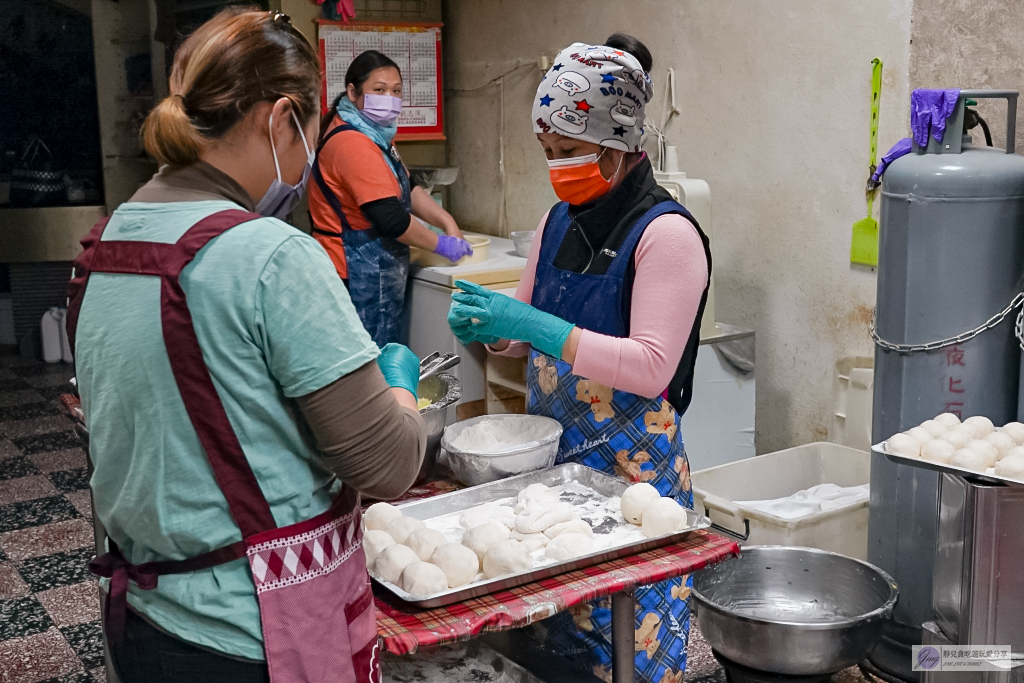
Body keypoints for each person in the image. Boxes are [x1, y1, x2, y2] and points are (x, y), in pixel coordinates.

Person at [67, 9, 426, 682]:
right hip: (255, 636)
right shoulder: (270, 256)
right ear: (281, 117)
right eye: (311, 134)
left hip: (146, 621)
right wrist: (399, 380)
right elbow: (388, 462)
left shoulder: (106, 244)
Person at [447, 34, 711, 682]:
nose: (555, 167)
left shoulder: (667, 234)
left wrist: (535, 323)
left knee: (631, 656)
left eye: (567, 151)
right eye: (548, 153)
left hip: (631, 483)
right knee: (555, 652)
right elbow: (522, 331)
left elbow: (650, 365)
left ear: (616, 141)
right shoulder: (559, 220)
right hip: (554, 477)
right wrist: (494, 325)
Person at [309, 50, 472, 346]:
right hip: (353, 271)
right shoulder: (352, 143)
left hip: (375, 269)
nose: (390, 98)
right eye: (379, 90)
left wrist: (446, 221)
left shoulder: (375, 134)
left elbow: (406, 185)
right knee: (368, 361)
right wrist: (441, 245)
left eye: (396, 91)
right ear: (353, 92)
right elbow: (390, 218)